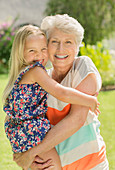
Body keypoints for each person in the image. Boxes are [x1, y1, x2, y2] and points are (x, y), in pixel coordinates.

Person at [13, 14, 109, 170]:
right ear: (46, 45)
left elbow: (76, 120)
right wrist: (27, 159)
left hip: (89, 166)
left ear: (77, 46)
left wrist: (30, 155)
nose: (61, 49)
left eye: (68, 42)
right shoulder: (42, 80)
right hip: (52, 164)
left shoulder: (83, 67)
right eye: (54, 42)